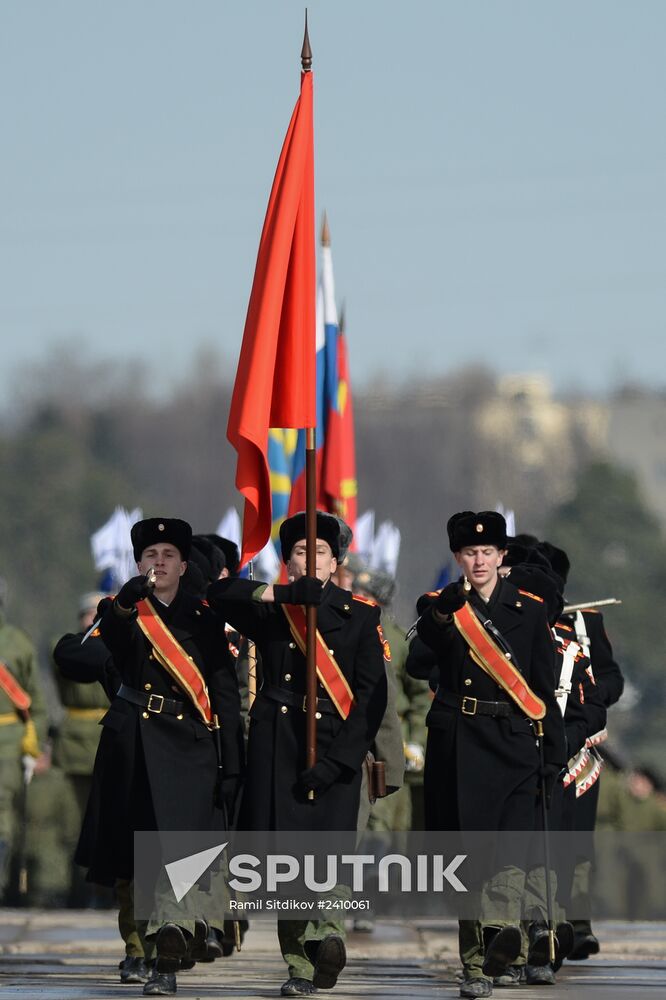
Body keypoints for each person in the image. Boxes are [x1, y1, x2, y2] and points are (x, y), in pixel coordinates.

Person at [207, 510, 388, 997]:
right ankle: (301, 966)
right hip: (279, 743)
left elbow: (372, 699)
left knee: (328, 854)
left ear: (336, 562)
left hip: (335, 743)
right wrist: (282, 594)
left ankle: (326, 936)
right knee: (288, 860)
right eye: (301, 552)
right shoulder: (272, 608)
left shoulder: (361, 615)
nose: (311, 560)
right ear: (288, 562)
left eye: (321, 552)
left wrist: (339, 762)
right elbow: (218, 594)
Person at [74, 517, 244, 997]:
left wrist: (232, 758)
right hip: (134, 742)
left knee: (182, 849)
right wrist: (125, 606)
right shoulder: (123, 611)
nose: (160, 563)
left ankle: (171, 939)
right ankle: (152, 946)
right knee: (138, 851)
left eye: (168, 555)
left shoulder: (204, 616)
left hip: (188, 743)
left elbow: (224, 691)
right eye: (151, 556)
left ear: (184, 564)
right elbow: (118, 656)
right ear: (138, 564)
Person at [406, 511, 565, 999]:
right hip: (463, 743)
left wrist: (554, 752)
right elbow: (421, 656)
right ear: (458, 558)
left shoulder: (531, 609)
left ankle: (502, 941)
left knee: (510, 856)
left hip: (516, 739)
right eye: (470, 553)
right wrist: (441, 613)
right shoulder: (443, 606)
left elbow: (543, 683)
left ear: (502, 558)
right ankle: (477, 964)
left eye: (488, 552)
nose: (479, 560)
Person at [0, 577, 47, 901]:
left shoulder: (17, 642)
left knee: (2, 810)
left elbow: (37, 702)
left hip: (8, 739)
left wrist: (35, 742)